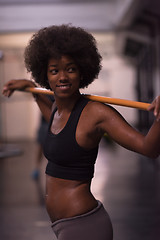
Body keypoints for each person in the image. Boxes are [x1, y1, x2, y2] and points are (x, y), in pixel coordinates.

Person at [2, 24, 160, 240]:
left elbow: (148, 148)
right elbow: (56, 124)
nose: (63, 77)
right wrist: (30, 87)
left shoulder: (96, 113)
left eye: (71, 68)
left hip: (84, 226)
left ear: (82, 71)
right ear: (45, 76)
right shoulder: (58, 111)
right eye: (54, 70)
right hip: (62, 226)